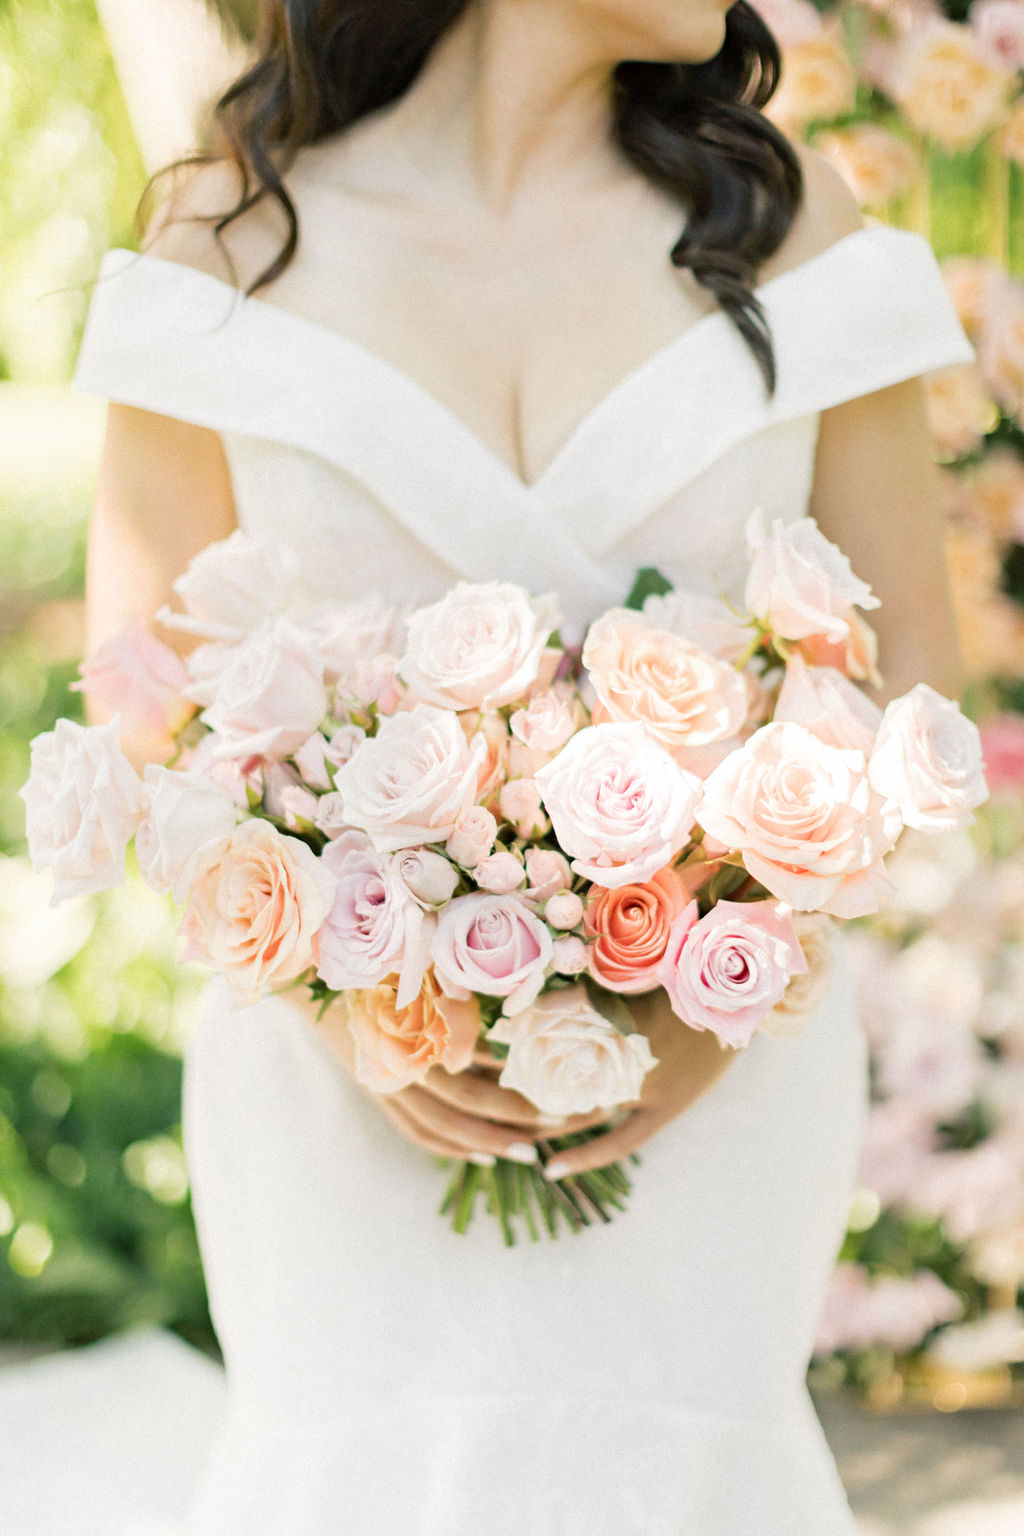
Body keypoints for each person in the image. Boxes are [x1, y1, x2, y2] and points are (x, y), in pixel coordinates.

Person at [4, 0, 975, 1531]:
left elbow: (914, 667)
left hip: (720, 1098)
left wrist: (729, 979)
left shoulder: (790, 222)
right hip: (343, 1103)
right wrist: (348, 993)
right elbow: (147, 692)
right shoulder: (231, 226)